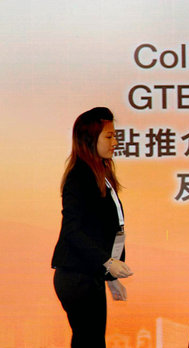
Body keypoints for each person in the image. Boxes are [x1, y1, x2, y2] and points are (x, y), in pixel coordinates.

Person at [52, 107, 133, 348]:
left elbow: (104, 229)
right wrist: (107, 263)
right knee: (90, 341)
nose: (115, 142)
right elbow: (73, 231)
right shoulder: (79, 177)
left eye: (115, 136)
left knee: (91, 341)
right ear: (90, 139)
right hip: (76, 276)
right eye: (109, 136)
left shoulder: (100, 172)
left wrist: (110, 277)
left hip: (90, 274)